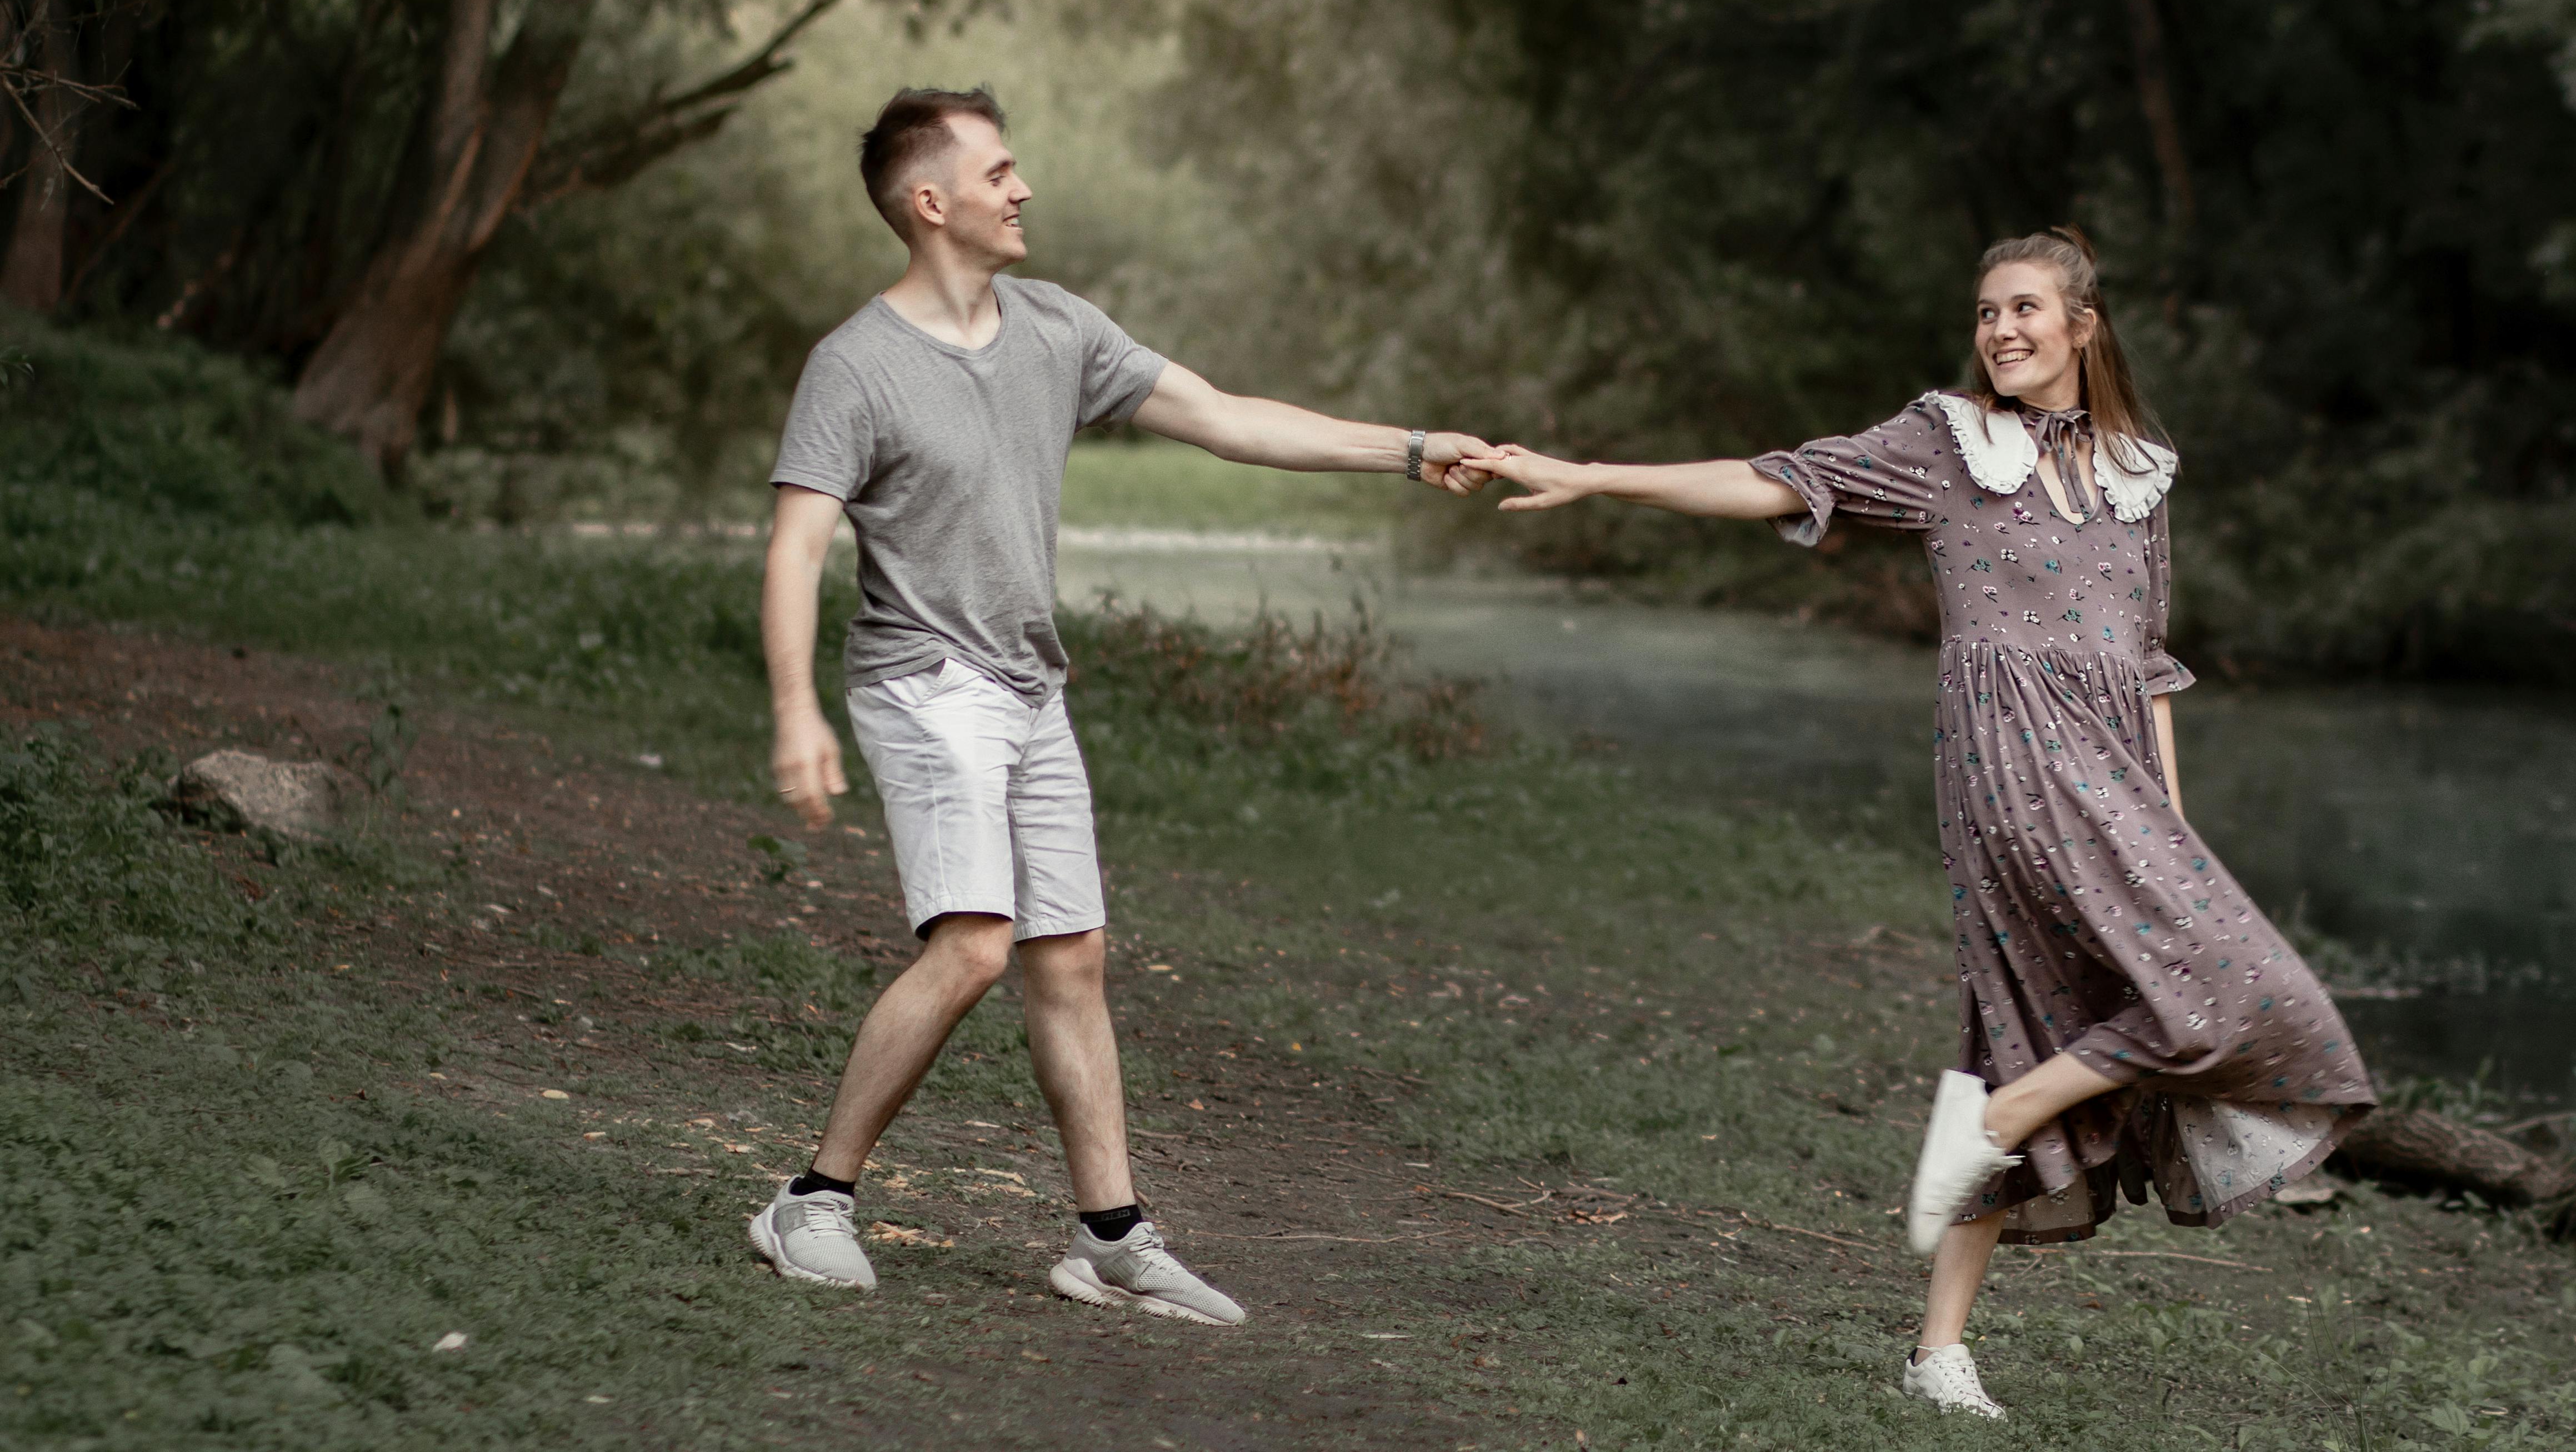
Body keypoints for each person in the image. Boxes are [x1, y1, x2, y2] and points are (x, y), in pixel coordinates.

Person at [1466, 229, 2373, 1417]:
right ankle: (2000, 1120)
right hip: (2012, 763)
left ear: (2083, 325)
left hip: (2122, 780)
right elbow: (1776, 478)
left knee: (2052, 1026)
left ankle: (1938, 1347)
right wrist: (1595, 475)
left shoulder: (2142, 472)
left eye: (2026, 309)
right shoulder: (1950, 445)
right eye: (1988, 312)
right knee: (2221, 999)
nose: (2001, 330)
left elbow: (2148, 664)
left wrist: (2175, 833)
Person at [747, 86, 1493, 1320]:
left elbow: (1223, 417)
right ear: (931, 203)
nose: (1022, 188)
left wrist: (1411, 448)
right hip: (923, 681)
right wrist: (794, 708)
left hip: (1029, 686)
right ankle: (809, 1201)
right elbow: (793, 548)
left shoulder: (1055, 329)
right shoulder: (857, 367)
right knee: (977, 944)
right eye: (999, 171)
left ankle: (1110, 1237)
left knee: (1071, 957)